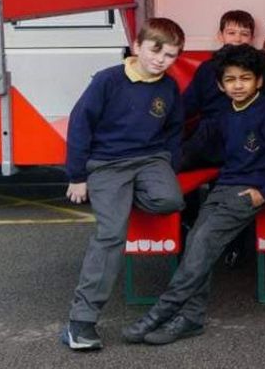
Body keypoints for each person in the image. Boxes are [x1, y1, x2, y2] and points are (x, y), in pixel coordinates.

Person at [122, 45, 265, 345]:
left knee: (203, 241)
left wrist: (263, 193)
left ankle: (160, 312)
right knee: (196, 242)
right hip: (223, 188)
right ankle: (191, 317)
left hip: (248, 192)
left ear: (258, 80)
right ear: (220, 85)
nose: (238, 85)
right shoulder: (223, 115)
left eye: (245, 78)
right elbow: (194, 152)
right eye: (230, 80)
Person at [59, 18, 188, 352]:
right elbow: (80, 125)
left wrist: (168, 162)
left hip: (150, 160)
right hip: (107, 164)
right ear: (138, 47)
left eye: (171, 55)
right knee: (111, 235)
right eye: (155, 50)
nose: (161, 59)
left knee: (172, 200)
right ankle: (81, 322)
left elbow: (174, 128)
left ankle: (123, 199)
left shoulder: (169, 87)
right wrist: (77, 175)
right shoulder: (108, 81)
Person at [180, 9, 257, 169]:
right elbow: (188, 104)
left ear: (252, 39)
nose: (237, 39)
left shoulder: (259, 68)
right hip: (209, 133)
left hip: (245, 132)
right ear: (220, 36)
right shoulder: (208, 68)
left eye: (244, 34)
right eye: (231, 33)